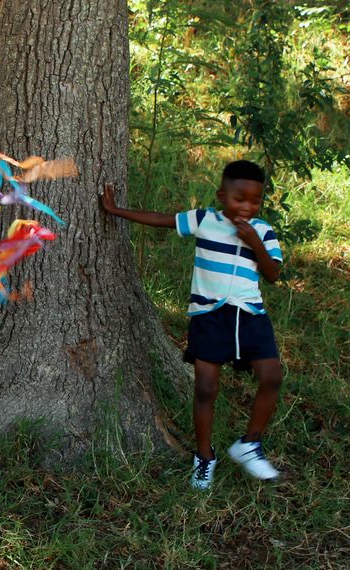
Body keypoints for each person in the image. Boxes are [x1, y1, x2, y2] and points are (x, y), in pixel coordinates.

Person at [101, 160, 285, 490]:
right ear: (221, 195)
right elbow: (161, 220)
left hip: (250, 315)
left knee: (272, 377)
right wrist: (117, 211)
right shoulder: (205, 220)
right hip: (209, 316)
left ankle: (249, 444)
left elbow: (273, 274)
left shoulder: (265, 231)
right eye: (238, 198)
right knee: (205, 387)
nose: (245, 206)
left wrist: (253, 239)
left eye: (254, 201)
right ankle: (204, 456)